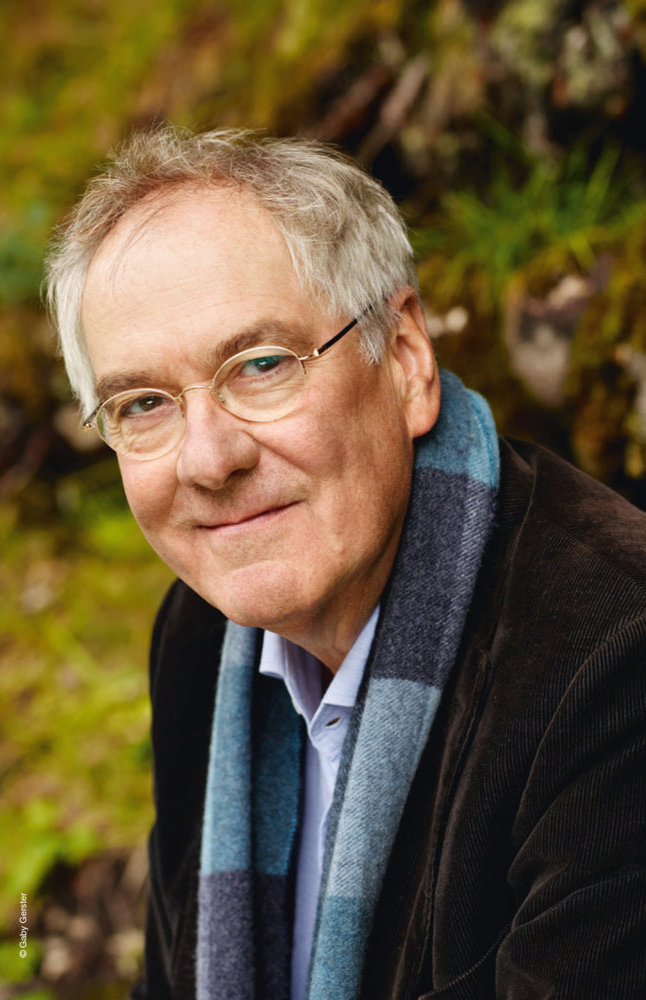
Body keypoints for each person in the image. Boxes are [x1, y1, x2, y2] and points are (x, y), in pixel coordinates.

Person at [45, 127, 646, 1000]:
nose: (207, 460)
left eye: (260, 365)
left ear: (404, 360)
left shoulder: (614, 665)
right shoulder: (199, 635)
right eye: (142, 404)